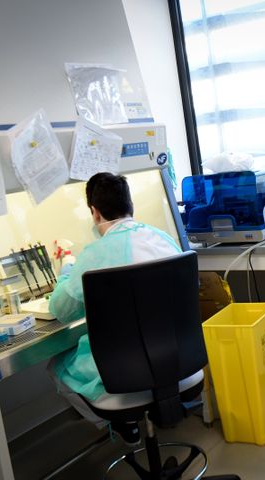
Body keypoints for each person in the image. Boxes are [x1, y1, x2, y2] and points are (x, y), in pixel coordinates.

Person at [47, 172, 181, 443]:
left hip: (123, 366)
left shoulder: (95, 255)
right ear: (130, 206)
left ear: (95, 213)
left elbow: (62, 310)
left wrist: (66, 269)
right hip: (175, 356)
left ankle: (121, 424)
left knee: (56, 366)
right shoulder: (164, 239)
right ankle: (133, 420)